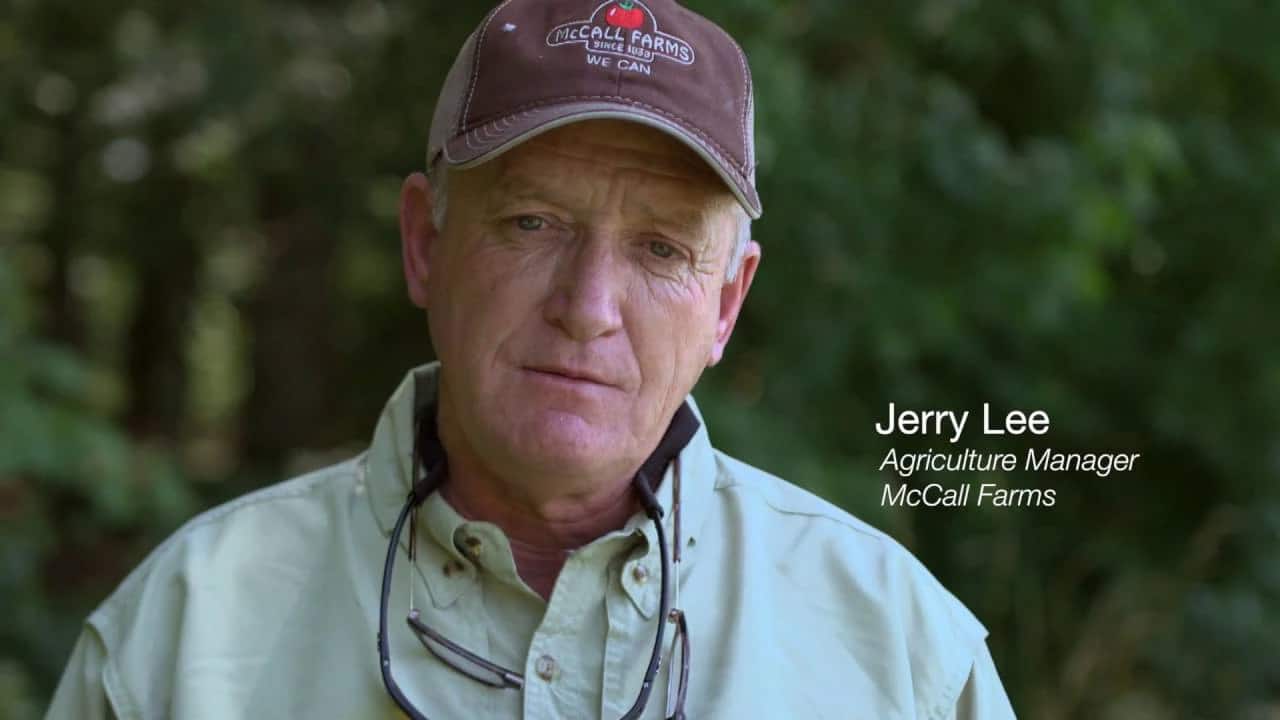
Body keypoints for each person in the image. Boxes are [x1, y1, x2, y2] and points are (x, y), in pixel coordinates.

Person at [46, 0, 1017, 717]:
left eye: (661, 250)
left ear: (725, 304)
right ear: (424, 243)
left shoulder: (902, 662)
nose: (587, 308)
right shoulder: (183, 642)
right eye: (531, 221)